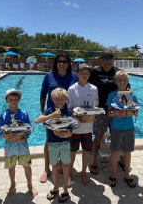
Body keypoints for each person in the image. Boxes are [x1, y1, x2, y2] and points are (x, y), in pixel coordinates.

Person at [39, 53, 78, 183]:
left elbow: (78, 91)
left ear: (68, 64)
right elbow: (43, 93)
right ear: (56, 63)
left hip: (66, 113)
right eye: (59, 61)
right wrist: (43, 111)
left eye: (65, 61)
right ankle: (46, 168)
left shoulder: (73, 76)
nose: (62, 63)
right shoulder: (49, 76)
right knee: (49, 141)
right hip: (51, 113)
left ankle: (61, 164)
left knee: (64, 138)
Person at [88, 49, 126, 174]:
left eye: (110, 58)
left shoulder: (118, 73)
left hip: (115, 111)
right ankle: (94, 160)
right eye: (105, 58)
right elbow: (85, 86)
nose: (108, 60)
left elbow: (126, 87)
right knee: (98, 136)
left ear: (113, 59)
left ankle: (122, 159)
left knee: (118, 136)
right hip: (100, 111)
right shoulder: (94, 73)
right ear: (101, 59)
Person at [0, 89, 38, 197]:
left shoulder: (24, 114)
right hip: (10, 145)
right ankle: (13, 184)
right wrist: (4, 135)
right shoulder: (3, 115)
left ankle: (30, 185)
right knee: (11, 166)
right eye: (11, 99)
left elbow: (29, 128)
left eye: (15, 99)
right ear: (6, 100)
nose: (13, 101)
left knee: (26, 165)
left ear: (19, 100)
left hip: (22, 144)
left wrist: (25, 137)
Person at [35, 88, 73, 203]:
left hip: (65, 143)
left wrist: (68, 133)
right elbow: (37, 121)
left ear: (66, 99)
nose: (59, 102)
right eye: (57, 100)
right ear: (52, 99)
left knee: (66, 166)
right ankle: (56, 187)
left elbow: (73, 127)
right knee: (54, 165)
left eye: (62, 99)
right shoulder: (49, 110)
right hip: (52, 143)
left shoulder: (68, 112)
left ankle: (65, 189)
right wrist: (50, 116)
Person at [67, 63, 98, 185]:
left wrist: (94, 116)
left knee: (86, 151)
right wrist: (76, 116)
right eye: (82, 73)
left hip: (87, 128)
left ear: (89, 75)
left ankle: (84, 173)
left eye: (87, 73)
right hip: (74, 127)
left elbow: (95, 107)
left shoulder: (94, 89)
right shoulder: (71, 89)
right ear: (77, 74)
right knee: (72, 152)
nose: (85, 75)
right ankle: (69, 173)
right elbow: (68, 108)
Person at [106, 71, 138, 188]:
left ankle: (127, 175)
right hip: (116, 128)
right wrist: (115, 112)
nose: (122, 82)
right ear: (115, 82)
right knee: (114, 151)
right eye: (120, 80)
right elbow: (109, 113)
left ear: (128, 81)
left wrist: (134, 112)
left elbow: (136, 111)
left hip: (129, 127)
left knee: (127, 152)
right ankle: (113, 174)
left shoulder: (132, 95)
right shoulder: (112, 95)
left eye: (124, 80)